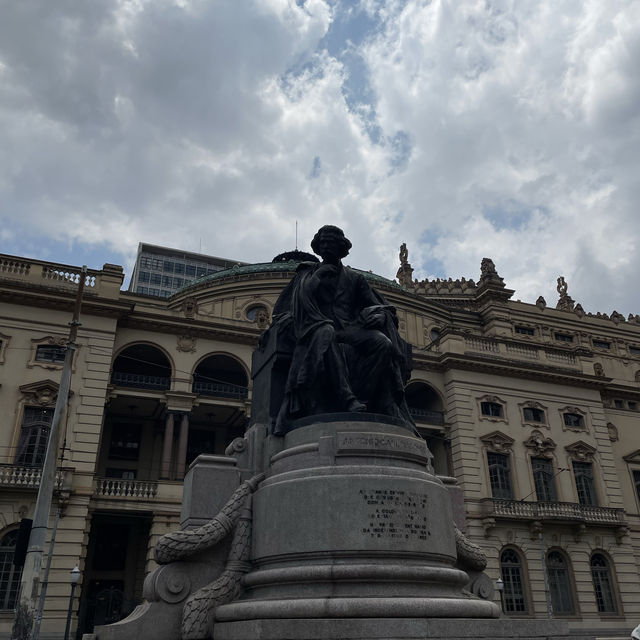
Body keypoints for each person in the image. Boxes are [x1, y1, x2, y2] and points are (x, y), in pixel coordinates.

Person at [273, 225, 415, 435]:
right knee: (326, 331)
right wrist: (318, 276)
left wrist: (379, 314)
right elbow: (296, 304)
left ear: (342, 247)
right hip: (313, 329)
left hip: (349, 329)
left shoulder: (354, 278)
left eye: (331, 242)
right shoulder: (307, 273)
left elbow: (376, 305)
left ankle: (364, 399)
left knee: (382, 343)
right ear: (318, 249)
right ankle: (347, 399)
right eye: (323, 243)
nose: (326, 246)